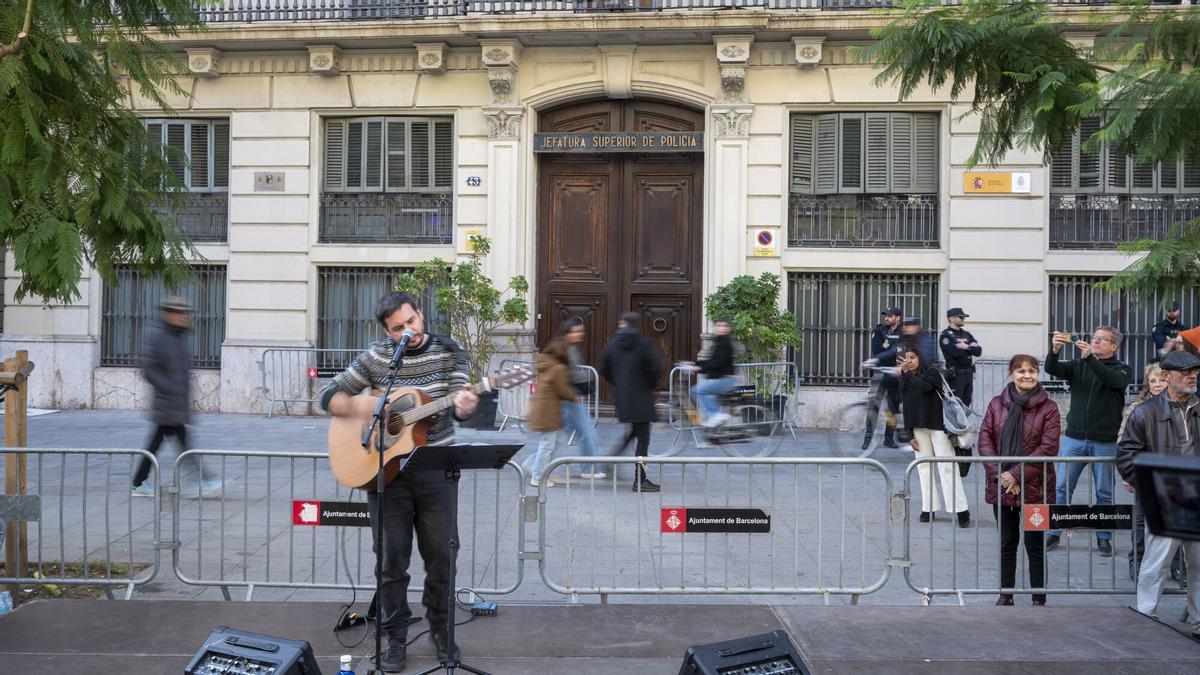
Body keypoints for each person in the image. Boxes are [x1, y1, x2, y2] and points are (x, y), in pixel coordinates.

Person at [318, 291, 478, 673]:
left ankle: (441, 629)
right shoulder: (377, 358)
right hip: (385, 473)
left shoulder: (449, 351)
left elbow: (461, 403)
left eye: (412, 321)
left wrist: (466, 406)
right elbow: (328, 396)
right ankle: (394, 635)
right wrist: (364, 405)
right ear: (387, 332)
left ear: (420, 314)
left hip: (436, 470)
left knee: (442, 557)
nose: (409, 330)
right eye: (398, 328)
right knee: (391, 561)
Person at [1115, 350, 1200, 639]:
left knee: (1198, 564)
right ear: (1166, 376)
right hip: (1166, 501)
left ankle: (1199, 621)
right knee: (1156, 563)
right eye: (1185, 372)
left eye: (1195, 371)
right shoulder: (1145, 412)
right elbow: (1127, 457)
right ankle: (1145, 616)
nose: (1192, 376)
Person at [977, 354, 1060, 606]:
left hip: (1037, 488)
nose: (1027, 375)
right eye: (1021, 371)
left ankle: (1039, 598)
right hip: (1002, 487)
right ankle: (1006, 594)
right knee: (1007, 543)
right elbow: (985, 441)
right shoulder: (996, 404)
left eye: (1032, 371)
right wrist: (1002, 476)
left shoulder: (1049, 408)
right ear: (1011, 373)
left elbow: (1048, 447)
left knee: (1035, 544)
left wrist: (1015, 474)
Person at [1044, 326, 1132, 557]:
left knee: (1104, 492)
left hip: (1104, 441)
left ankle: (1104, 537)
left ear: (1114, 346)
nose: (1096, 341)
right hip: (1073, 439)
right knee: (1062, 488)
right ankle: (1054, 531)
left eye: (1102, 339)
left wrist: (1090, 359)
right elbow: (1051, 368)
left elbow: (1113, 381)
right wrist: (1054, 350)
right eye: (1094, 338)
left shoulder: (1122, 368)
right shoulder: (1079, 364)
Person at [131, 296, 221, 499]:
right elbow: (148, 367)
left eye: (184, 313)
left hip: (175, 403)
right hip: (167, 402)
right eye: (178, 313)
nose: (183, 317)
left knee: (161, 443)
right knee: (181, 444)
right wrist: (169, 388)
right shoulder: (159, 337)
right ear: (168, 314)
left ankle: (139, 482)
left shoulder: (177, 336)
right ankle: (205, 480)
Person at [900, 346, 971, 527]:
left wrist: (907, 375)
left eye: (912, 357)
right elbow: (906, 406)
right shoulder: (906, 378)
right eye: (906, 358)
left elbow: (925, 387)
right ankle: (929, 507)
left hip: (938, 427)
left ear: (920, 357)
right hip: (918, 429)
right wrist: (909, 434)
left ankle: (961, 509)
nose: (909, 361)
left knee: (947, 467)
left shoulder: (933, 373)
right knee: (923, 468)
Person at [601, 312, 663, 493]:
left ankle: (611, 460)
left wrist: (619, 384)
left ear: (623, 324)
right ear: (636, 325)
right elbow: (656, 369)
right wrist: (649, 385)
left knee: (635, 432)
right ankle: (640, 480)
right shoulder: (644, 344)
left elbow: (604, 368)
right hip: (641, 397)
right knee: (643, 440)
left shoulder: (611, 345)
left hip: (623, 397)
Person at [1120, 363, 1167, 581]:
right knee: (1140, 521)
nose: (1157, 385)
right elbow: (1123, 440)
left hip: (1171, 474)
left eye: (1161, 380)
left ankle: (1176, 566)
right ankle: (1137, 562)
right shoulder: (1137, 408)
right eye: (1152, 381)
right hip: (1144, 473)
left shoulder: (1180, 406)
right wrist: (1126, 474)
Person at [526, 334, 578, 488]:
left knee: (552, 443)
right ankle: (537, 476)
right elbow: (562, 390)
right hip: (549, 412)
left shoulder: (546, 363)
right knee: (548, 445)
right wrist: (574, 397)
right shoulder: (558, 368)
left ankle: (534, 465)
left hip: (544, 410)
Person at [562, 318, 606, 480]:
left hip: (570, 397)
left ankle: (534, 462)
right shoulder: (565, 349)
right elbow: (569, 373)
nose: (580, 334)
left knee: (559, 435)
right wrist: (586, 379)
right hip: (571, 397)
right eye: (576, 331)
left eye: (581, 331)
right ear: (568, 333)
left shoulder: (570, 347)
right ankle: (590, 469)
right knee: (588, 433)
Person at [864, 307, 903, 450]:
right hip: (879, 373)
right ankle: (868, 439)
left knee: (892, 409)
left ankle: (889, 438)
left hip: (895, 374)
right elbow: (877, 350)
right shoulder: (879, 330)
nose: (886, 318)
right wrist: (892, 351)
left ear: (898, 318)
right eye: (885, 315)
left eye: (890, 316)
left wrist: (888, 350)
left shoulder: (902, 332)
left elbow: (902, 354)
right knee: (873, 406)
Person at [691, 318, 738, 427]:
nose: (721, 328)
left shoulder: (724, 343)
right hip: (722, 379)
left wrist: (698, 367)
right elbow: (713, 361)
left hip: (725, 380)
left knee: (698, 391)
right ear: (715, 328)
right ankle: (716, 430)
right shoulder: (720, 342)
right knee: (709, 398)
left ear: (729, 329)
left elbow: (717, 362)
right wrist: (695, 364)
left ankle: (715, 414)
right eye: (718, 326)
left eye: (724, 326)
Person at [939, 307, 982, 407]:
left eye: (964, 317)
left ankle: (965, 419)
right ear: (951, 319)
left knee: (966, 404)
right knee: (956, 404)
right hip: (956, 375)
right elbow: (956, 353)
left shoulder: (966, 334)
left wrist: (966, 346)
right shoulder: (946, 335)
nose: (963, 319)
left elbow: (978, 351)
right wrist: (970, 347)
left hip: (969, 374)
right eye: (961, 317)